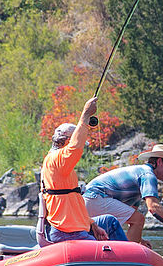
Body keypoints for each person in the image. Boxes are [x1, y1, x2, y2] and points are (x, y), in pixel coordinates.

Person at [38, 96, 127, 245]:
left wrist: (92, 224)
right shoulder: (57, 160)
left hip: (75, 226)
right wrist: (85, 115)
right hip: (66, 232)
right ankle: (126, 263)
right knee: (102, 250)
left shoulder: (60, 165)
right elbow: (75, 147)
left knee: (109, 222)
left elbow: (73, 204)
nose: (82, 150)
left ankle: (128, 260)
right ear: (67, 141)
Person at [83, 143, 163, 247]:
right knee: (139, 219)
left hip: (87, 201)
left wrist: (139, 240)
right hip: (95, 197)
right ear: (160, 161)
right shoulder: (148, 175)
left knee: (136, 219)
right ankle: (127, 256)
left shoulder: (140, 176)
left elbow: (130, 217)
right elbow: (153, 207)